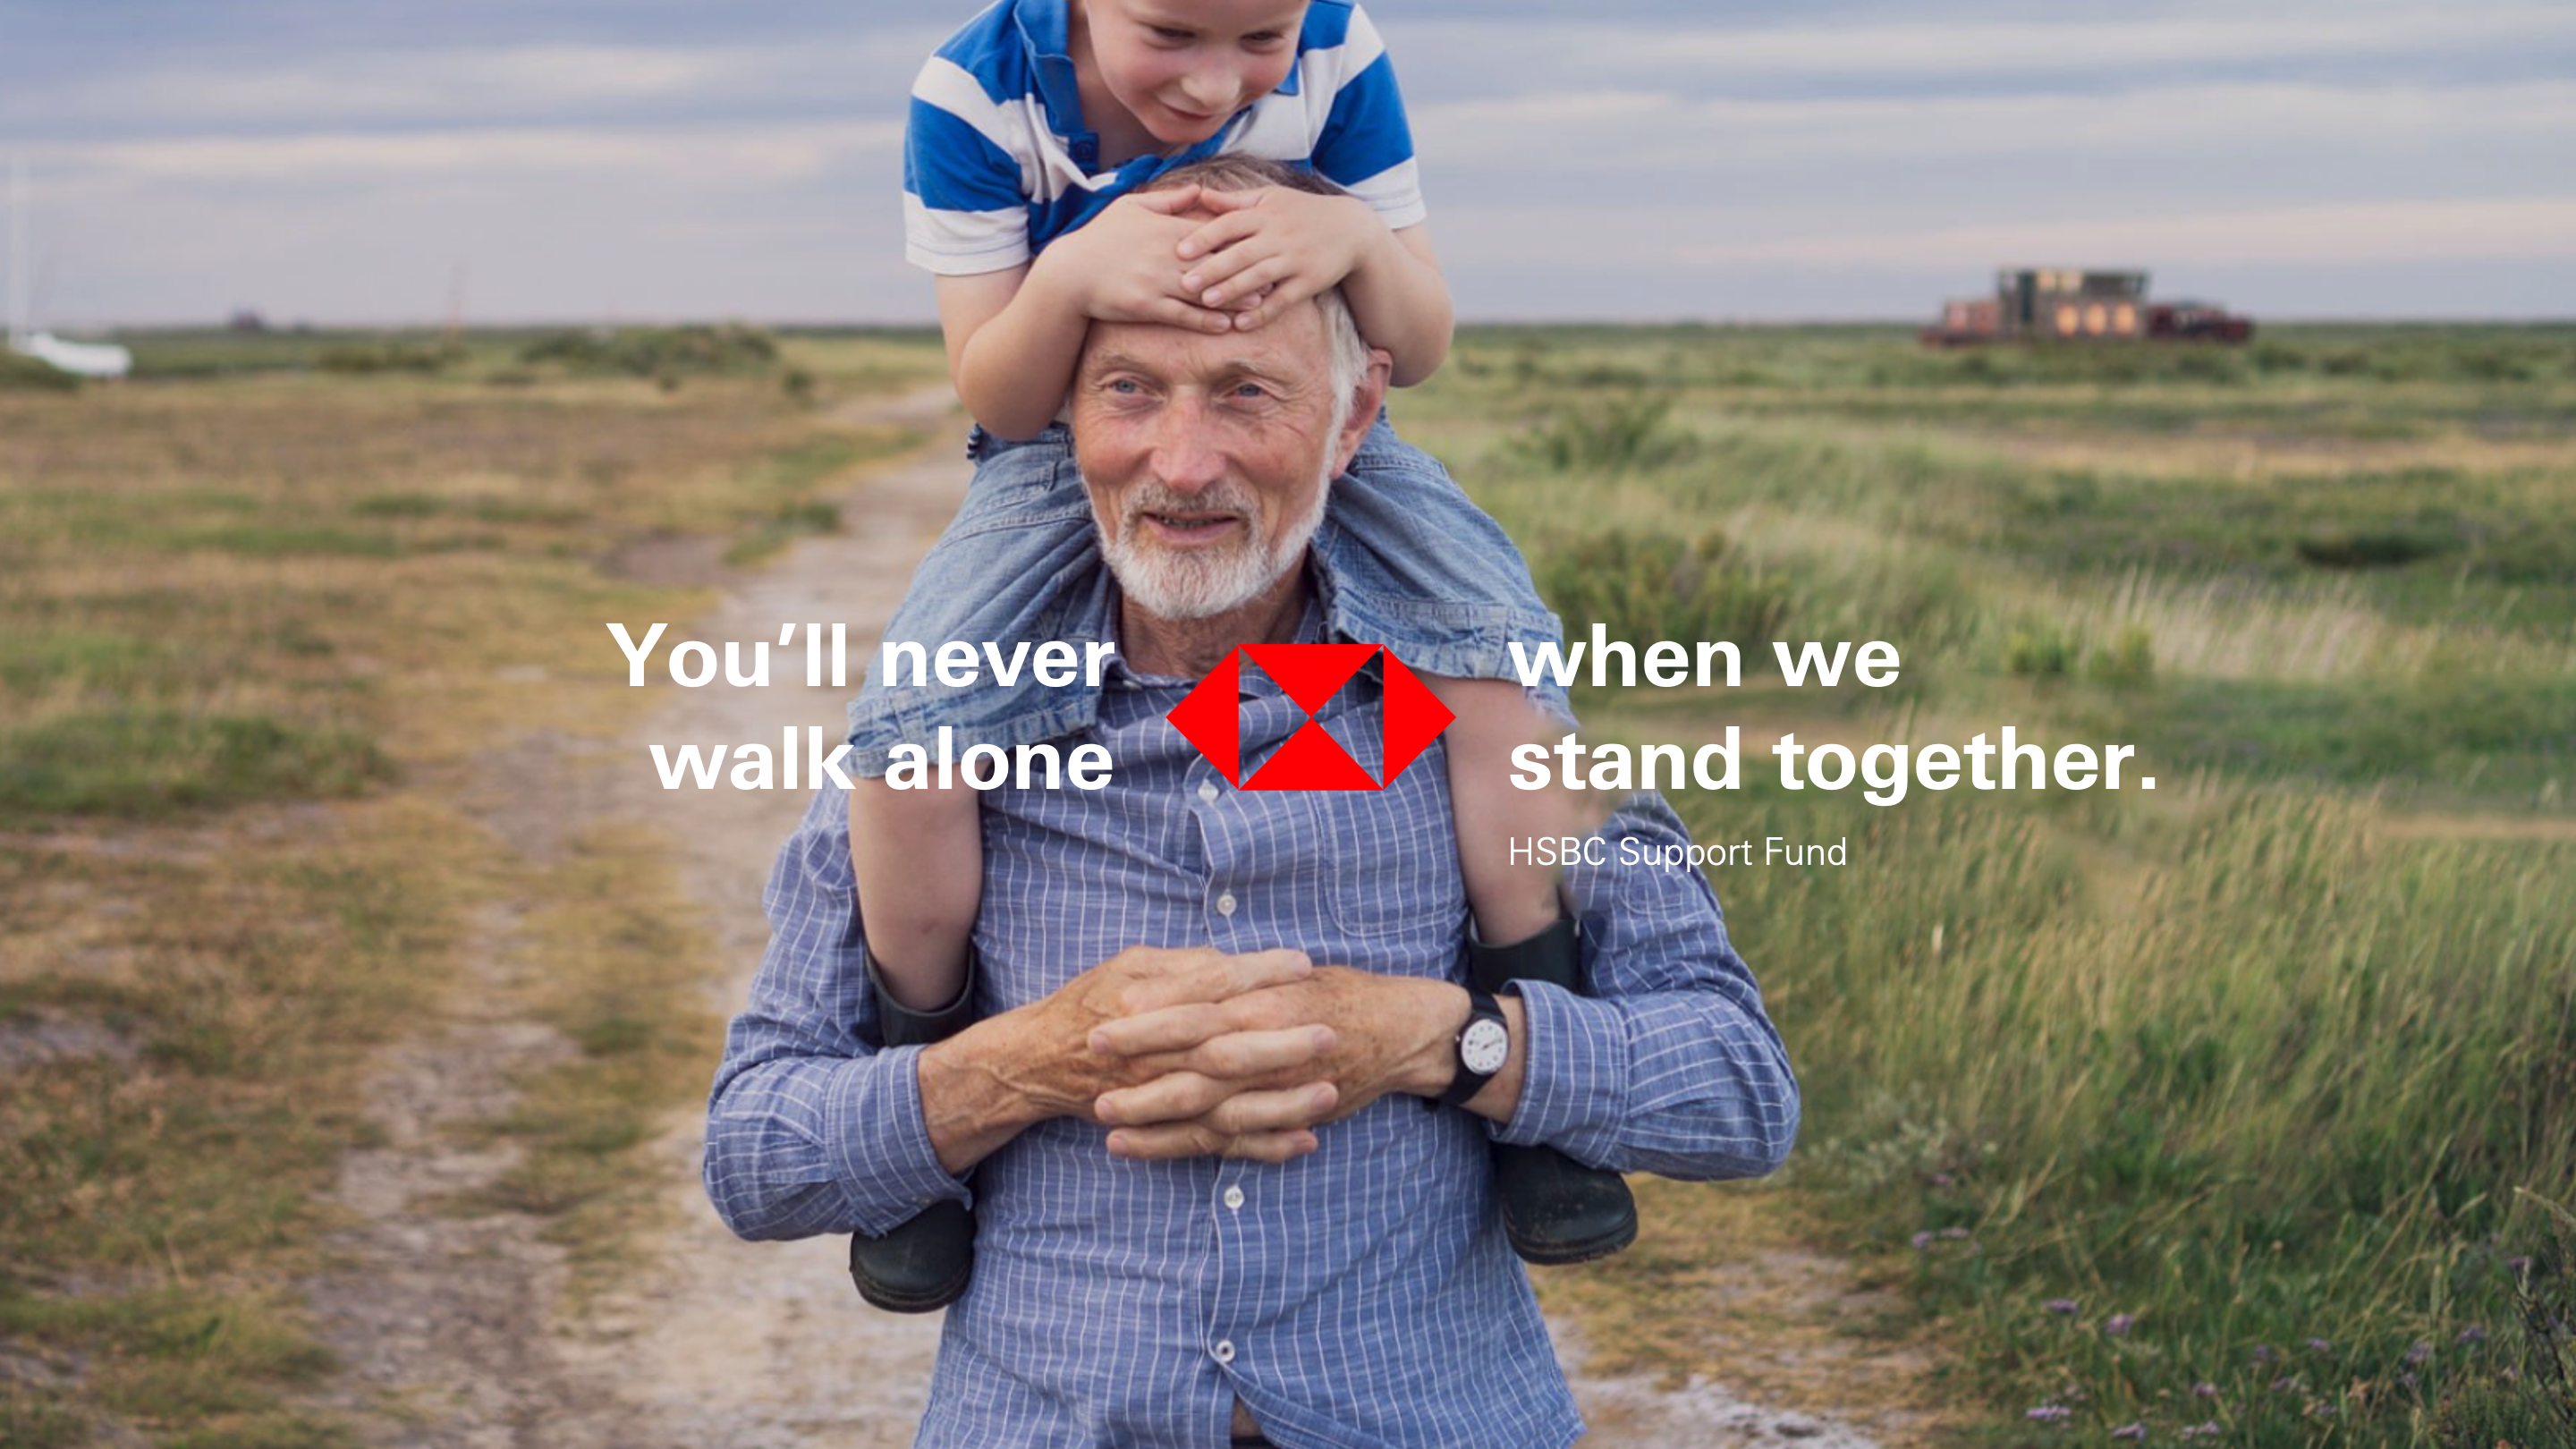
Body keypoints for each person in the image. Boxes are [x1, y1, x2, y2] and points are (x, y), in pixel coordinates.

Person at [703, 243, 1802, 1447]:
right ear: (1063, 418)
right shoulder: (935, 752)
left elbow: (1742, 1092)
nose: (1182, 464)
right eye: (1129, 390)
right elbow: (756, 1153)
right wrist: (1031, 1061)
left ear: (1353, 418)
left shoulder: (1496, 729)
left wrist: (1450, 1039)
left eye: (1247, 393)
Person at [846, 0, 1630, 1305]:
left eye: (1259, 39)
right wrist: (1074, 277)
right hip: (1055, 449)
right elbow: (995, 392)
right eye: (1171, 35)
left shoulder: (1344, 52)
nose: (1218, 83)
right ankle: (925, 1118)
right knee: (914, 742)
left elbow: (1419, 343)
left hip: (1326, 427)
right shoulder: (976, 96)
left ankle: (1536, 1080)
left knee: (1500, 680)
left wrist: (1353, 238)